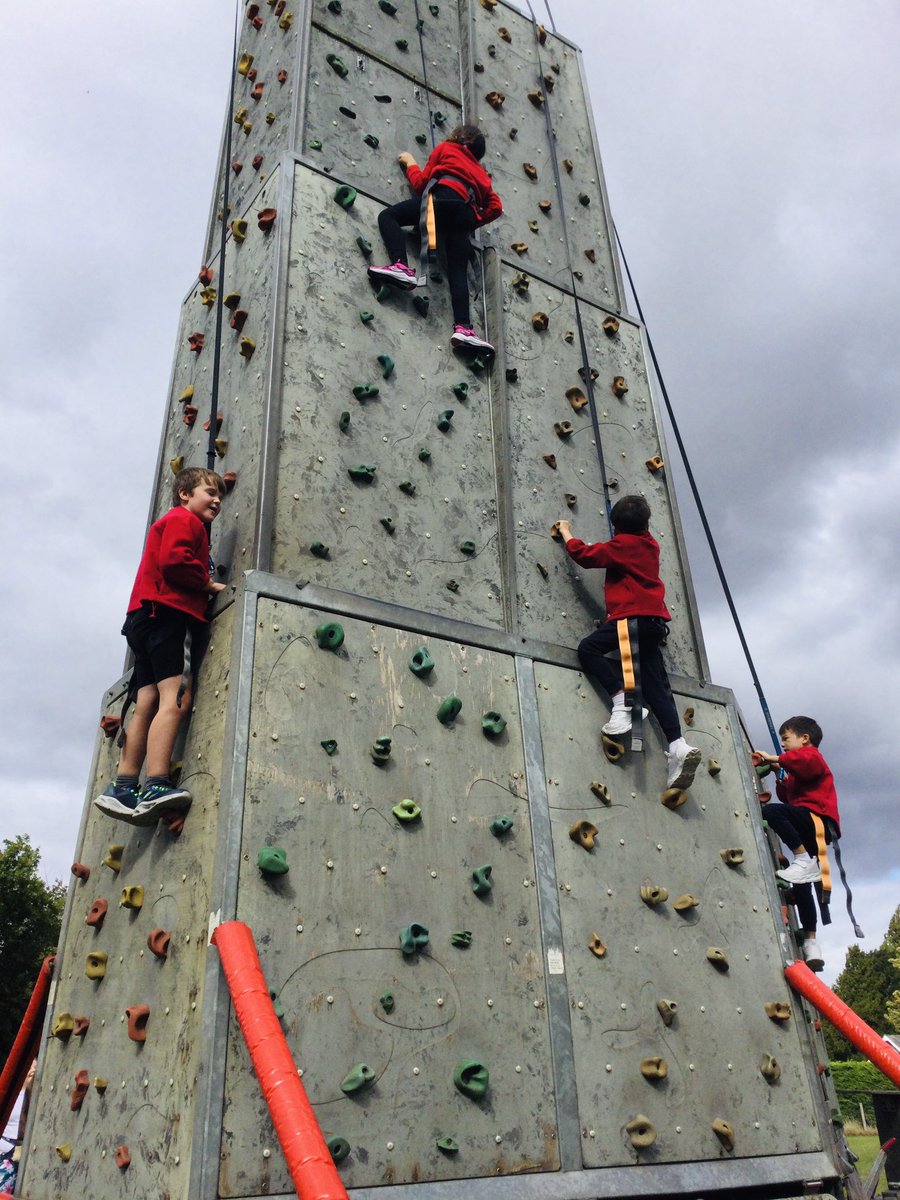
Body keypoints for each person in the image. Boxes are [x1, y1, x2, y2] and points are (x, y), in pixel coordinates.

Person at [94, 467, 227, 825]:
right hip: (169, 613)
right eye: (209, 492)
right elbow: (174, 561)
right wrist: (207, 584)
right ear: (185, 494)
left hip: (142, 617)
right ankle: (155, 783)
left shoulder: (167, 523)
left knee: (147, 702)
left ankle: (123, 785)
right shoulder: (186, 521)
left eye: (220, 496)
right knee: (176, 697)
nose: (216, 499)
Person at [557, 495, 701, 790]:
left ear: (615, 525)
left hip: (629, 620)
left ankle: (622, 701)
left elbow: (585, 555)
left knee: (589, 649)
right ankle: (677, 745)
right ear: (647, 524)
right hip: (654, 625)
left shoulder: (621, 546)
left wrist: (566, 532)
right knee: (655, 685)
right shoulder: (651, 545)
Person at [367, 123, 502, 354]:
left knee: (388, 216)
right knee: (457, 271)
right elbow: (496, 207)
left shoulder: (447, 148)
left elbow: (421, 185)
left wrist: (410, 162)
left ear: (461, 139)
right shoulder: (482, 175)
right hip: (464, 216)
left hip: (440, 201)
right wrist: (474, 219)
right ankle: (464, 329)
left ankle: (400, 266)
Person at [752, 716, 840, 971]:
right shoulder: (800, 766)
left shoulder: (813, 756)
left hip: (816, 820)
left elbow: (801, 762)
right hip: (811, 823)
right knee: (803, 887)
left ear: (805, 738)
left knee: (772, 813)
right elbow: (789, 794)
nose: (784, 745)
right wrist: (781, 777)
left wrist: (774, 758)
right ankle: (812, 943)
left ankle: (802, 858)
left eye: (786, 739)